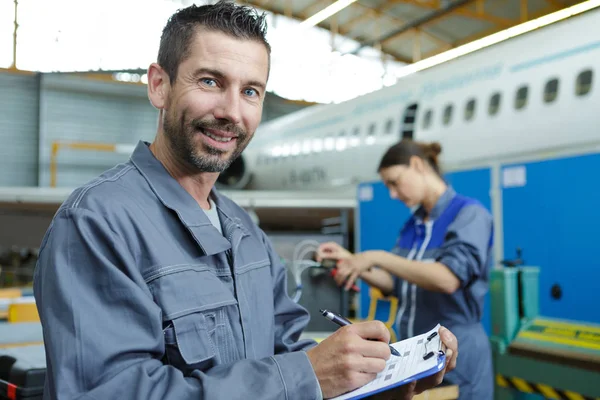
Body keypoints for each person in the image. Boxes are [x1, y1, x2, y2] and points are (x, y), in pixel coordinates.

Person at [33, 2, 458, 399]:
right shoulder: (97, 222)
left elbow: (288, 347)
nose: (232, 112)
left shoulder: (243, 230)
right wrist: (307, 375)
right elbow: (112, 391)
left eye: (251, 91)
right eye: (210, 81)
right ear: (159, 86)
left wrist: (374, 374)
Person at [317, 139, 494, 399]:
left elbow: (448, 279)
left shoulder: (469, 215)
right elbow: (395, 284)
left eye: (394, 182)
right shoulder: (414, 224)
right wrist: (354, 261)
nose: (392, 194)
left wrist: (377, 257)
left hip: (457, 356)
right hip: (416, 357)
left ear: (417, 165)